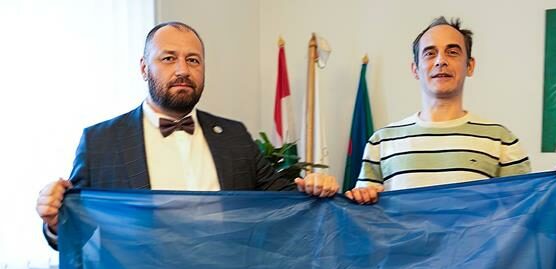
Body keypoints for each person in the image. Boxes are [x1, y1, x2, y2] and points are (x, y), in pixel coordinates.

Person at [37, 21, 339, 249]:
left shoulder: (233, 136)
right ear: (144, 68)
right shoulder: (101, 142)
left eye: (193, 60)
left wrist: (320, 189)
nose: (182, 70)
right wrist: (54, 223)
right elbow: (76, 228)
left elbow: (284, 202)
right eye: (169, 58)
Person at [345, 16, 556, 204]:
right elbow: (364, 219)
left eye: (452, 52)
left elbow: (525, 215)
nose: (441, 61)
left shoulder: (501, 140)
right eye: (430, 53)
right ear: (415, 69)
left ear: (470, 66)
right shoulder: (382, 141)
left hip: (479, 264)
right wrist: (335, 195)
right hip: (401, 262)